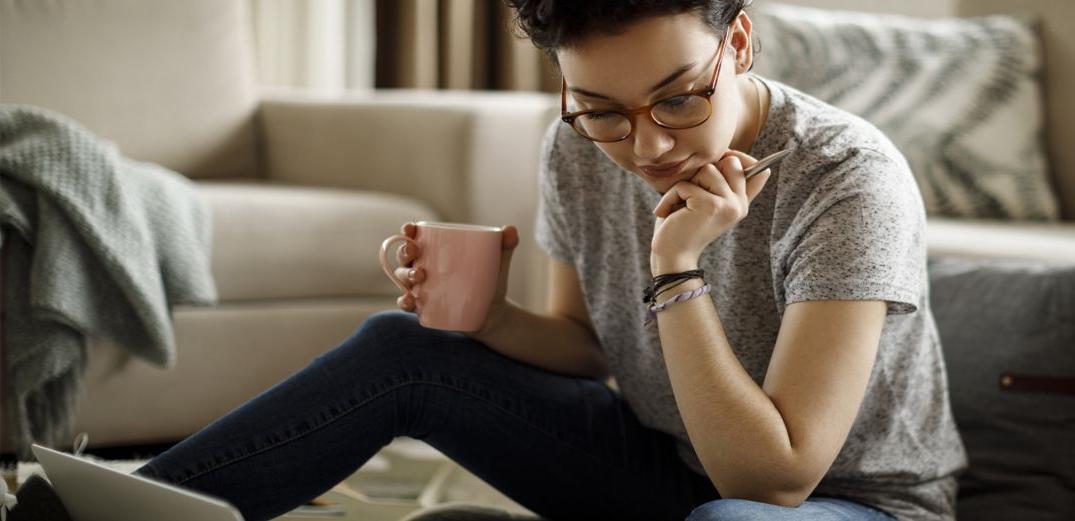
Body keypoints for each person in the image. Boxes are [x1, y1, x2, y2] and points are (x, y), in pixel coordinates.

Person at [6, 1, 967, 520]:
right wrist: (485, 322)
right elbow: (588, 349)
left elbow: (776, 478)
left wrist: (675, 269)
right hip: (663, 464)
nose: (645, 143)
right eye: (599, 108)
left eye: (677, 98)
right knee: (401, 347)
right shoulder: (575, 147)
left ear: (738, 42)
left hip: (846, 505)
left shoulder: (846, 179)